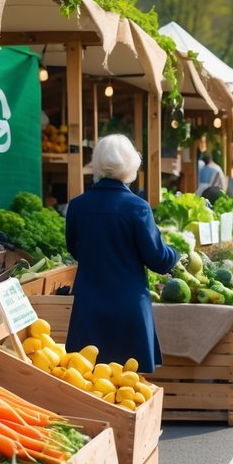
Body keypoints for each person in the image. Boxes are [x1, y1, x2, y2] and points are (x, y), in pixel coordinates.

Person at [65, 135, 180, 373]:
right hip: (129, 307)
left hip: (89, 306)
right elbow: (158, 259)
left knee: (87, 380)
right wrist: (176, 256)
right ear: (131, 166)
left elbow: (74, 249)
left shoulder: (77, 206)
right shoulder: (137, 207)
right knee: (129, 386)